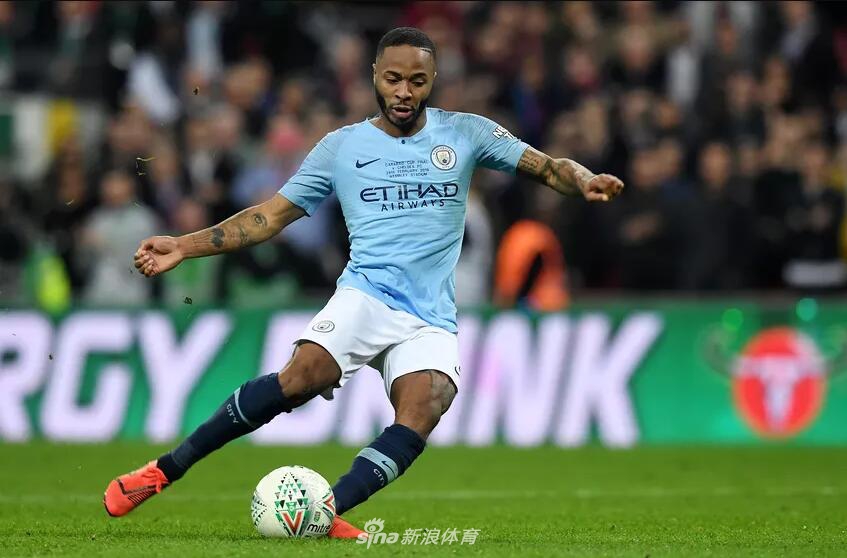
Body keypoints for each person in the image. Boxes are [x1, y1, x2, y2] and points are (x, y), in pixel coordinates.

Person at [103, 27, 624, 538]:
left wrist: (584, 180)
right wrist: (184, 245)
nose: (404, 92)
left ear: (433, 80)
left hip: (430, 314)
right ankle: (163, 471)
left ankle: (325, 511)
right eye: (393, 79)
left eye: (417, 81)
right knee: (301, 377)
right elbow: (268, 217)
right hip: (366, 296)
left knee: (428, 402)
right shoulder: (342, 147)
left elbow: (549, 167)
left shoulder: (466, 133)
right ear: (374, 75)